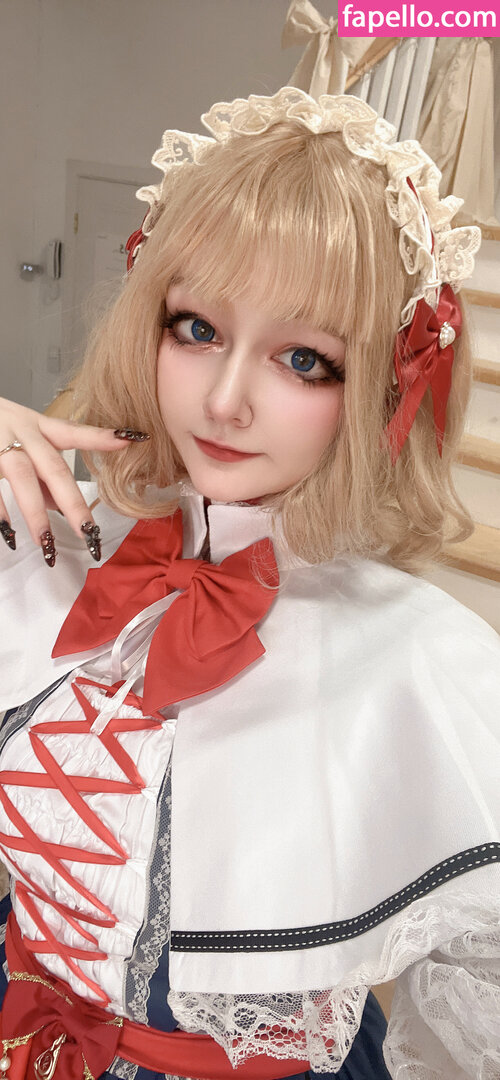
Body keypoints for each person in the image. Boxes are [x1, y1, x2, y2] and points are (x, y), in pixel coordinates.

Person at [0, 88, 498, 1080]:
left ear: (388, 388)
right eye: (196, 328)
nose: (225, 400)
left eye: (304, 359)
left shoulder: (430, 661)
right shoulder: (43, 541)